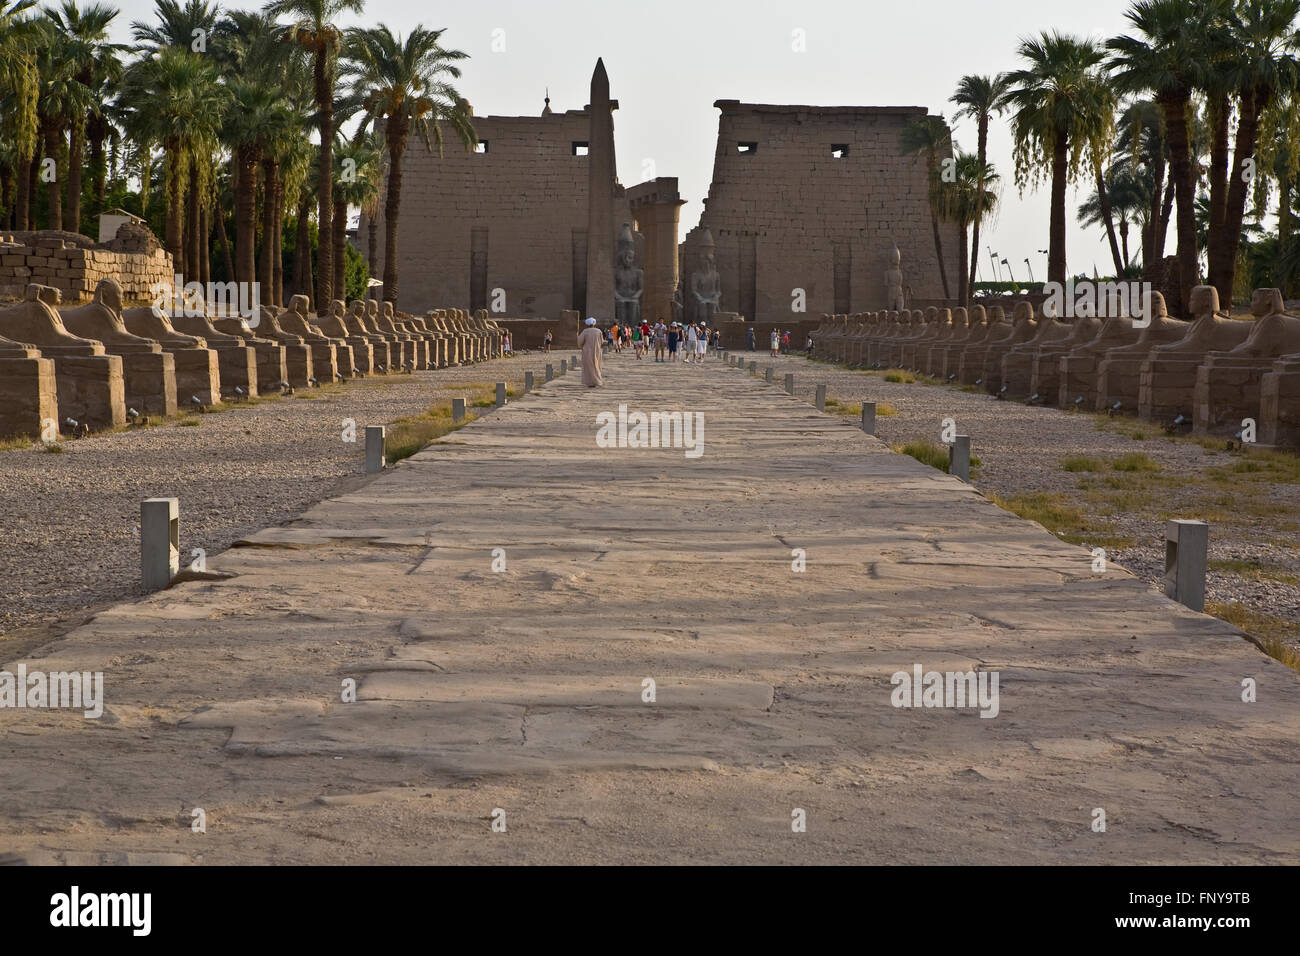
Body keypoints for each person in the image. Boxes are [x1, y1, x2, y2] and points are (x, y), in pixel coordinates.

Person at [578, 317, 604, 386]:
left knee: (589, 366)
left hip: (587, 351)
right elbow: (602, 341)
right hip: (597, 350)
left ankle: (590, 381)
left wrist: (581, 346)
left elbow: (580, 341)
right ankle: (597, 380)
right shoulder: (599, 331)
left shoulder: (585, 331)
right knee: (596, 365)